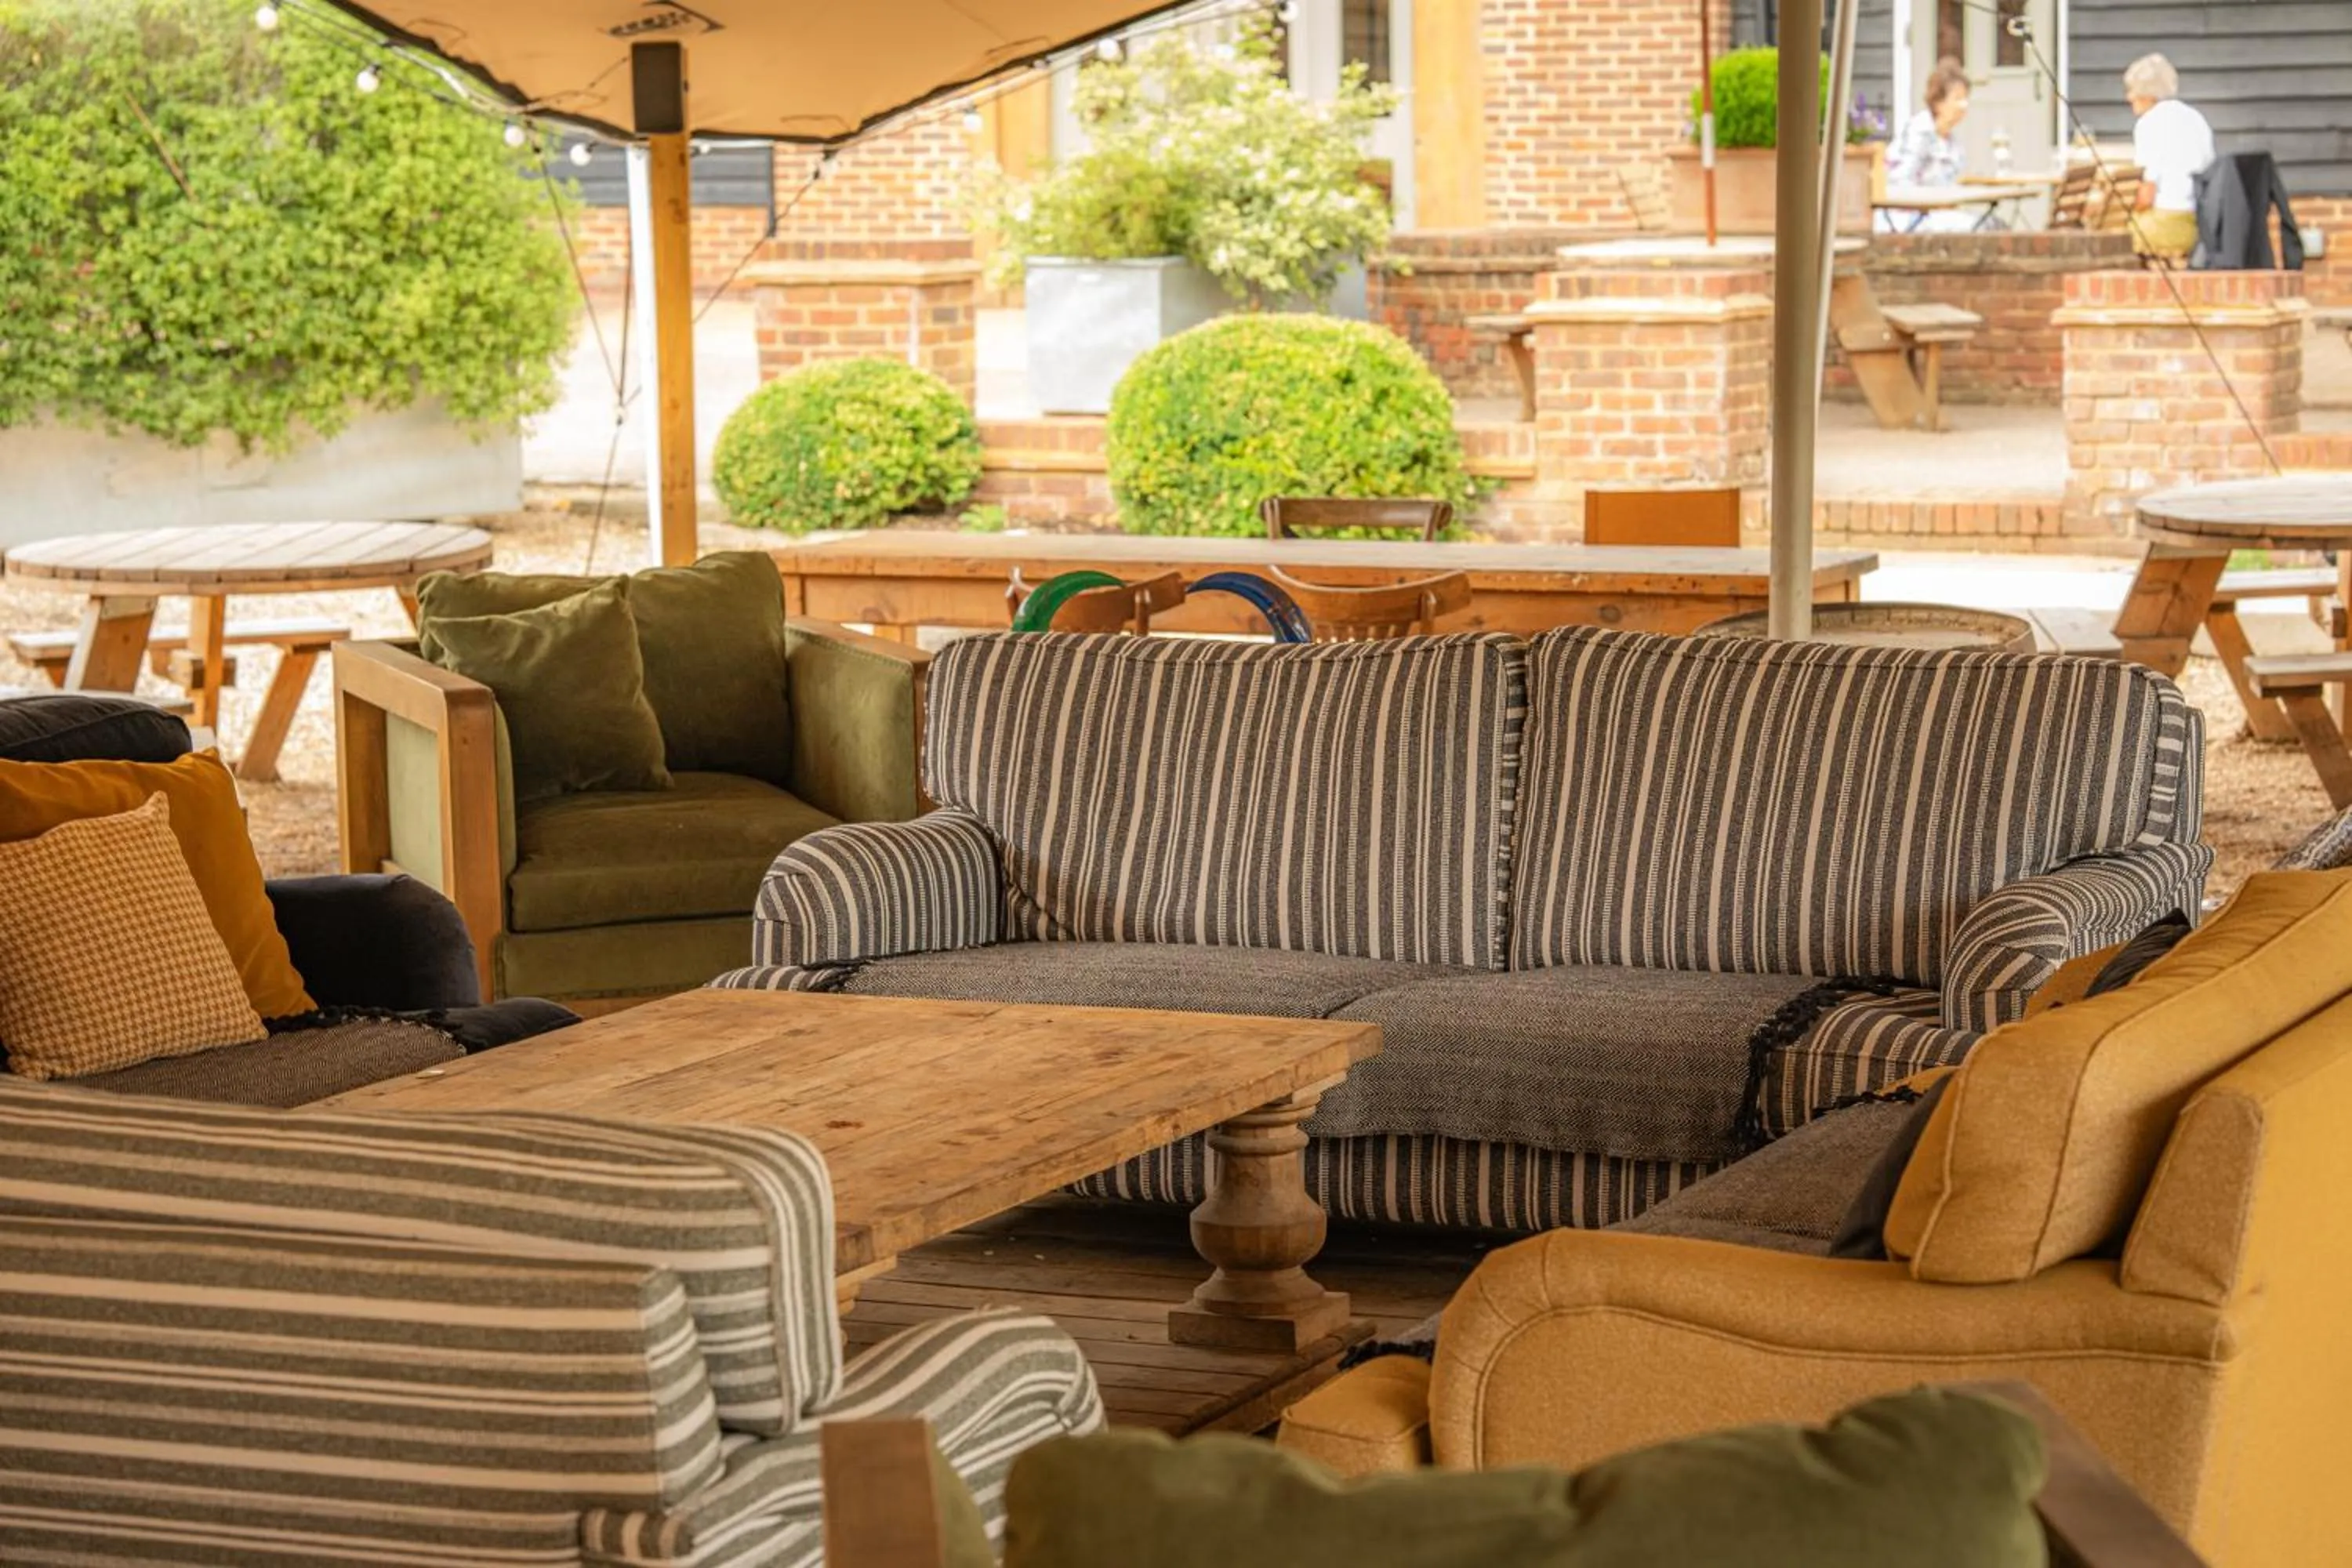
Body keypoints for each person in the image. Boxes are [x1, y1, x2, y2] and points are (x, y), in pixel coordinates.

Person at [2123, 52, 2214, 261]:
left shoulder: (2148, 124)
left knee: (2112, 237)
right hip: (2199, 224)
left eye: (2131, 91)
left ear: (2147, 93)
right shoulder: (2195, 118)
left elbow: (2147, 195)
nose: (2128, 98)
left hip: (2166, 223)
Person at [1880, 59, 1976, 234]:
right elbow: (1899, 182)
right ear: (1939, 102)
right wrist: (1931, 203)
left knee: (1992, 225)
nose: (1964, 105)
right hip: (1910, 218)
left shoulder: (1952, 141)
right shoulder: (1920, 131)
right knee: (1977, 228)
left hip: (1940, 214)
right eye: (1958, 99)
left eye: (1966, 98)